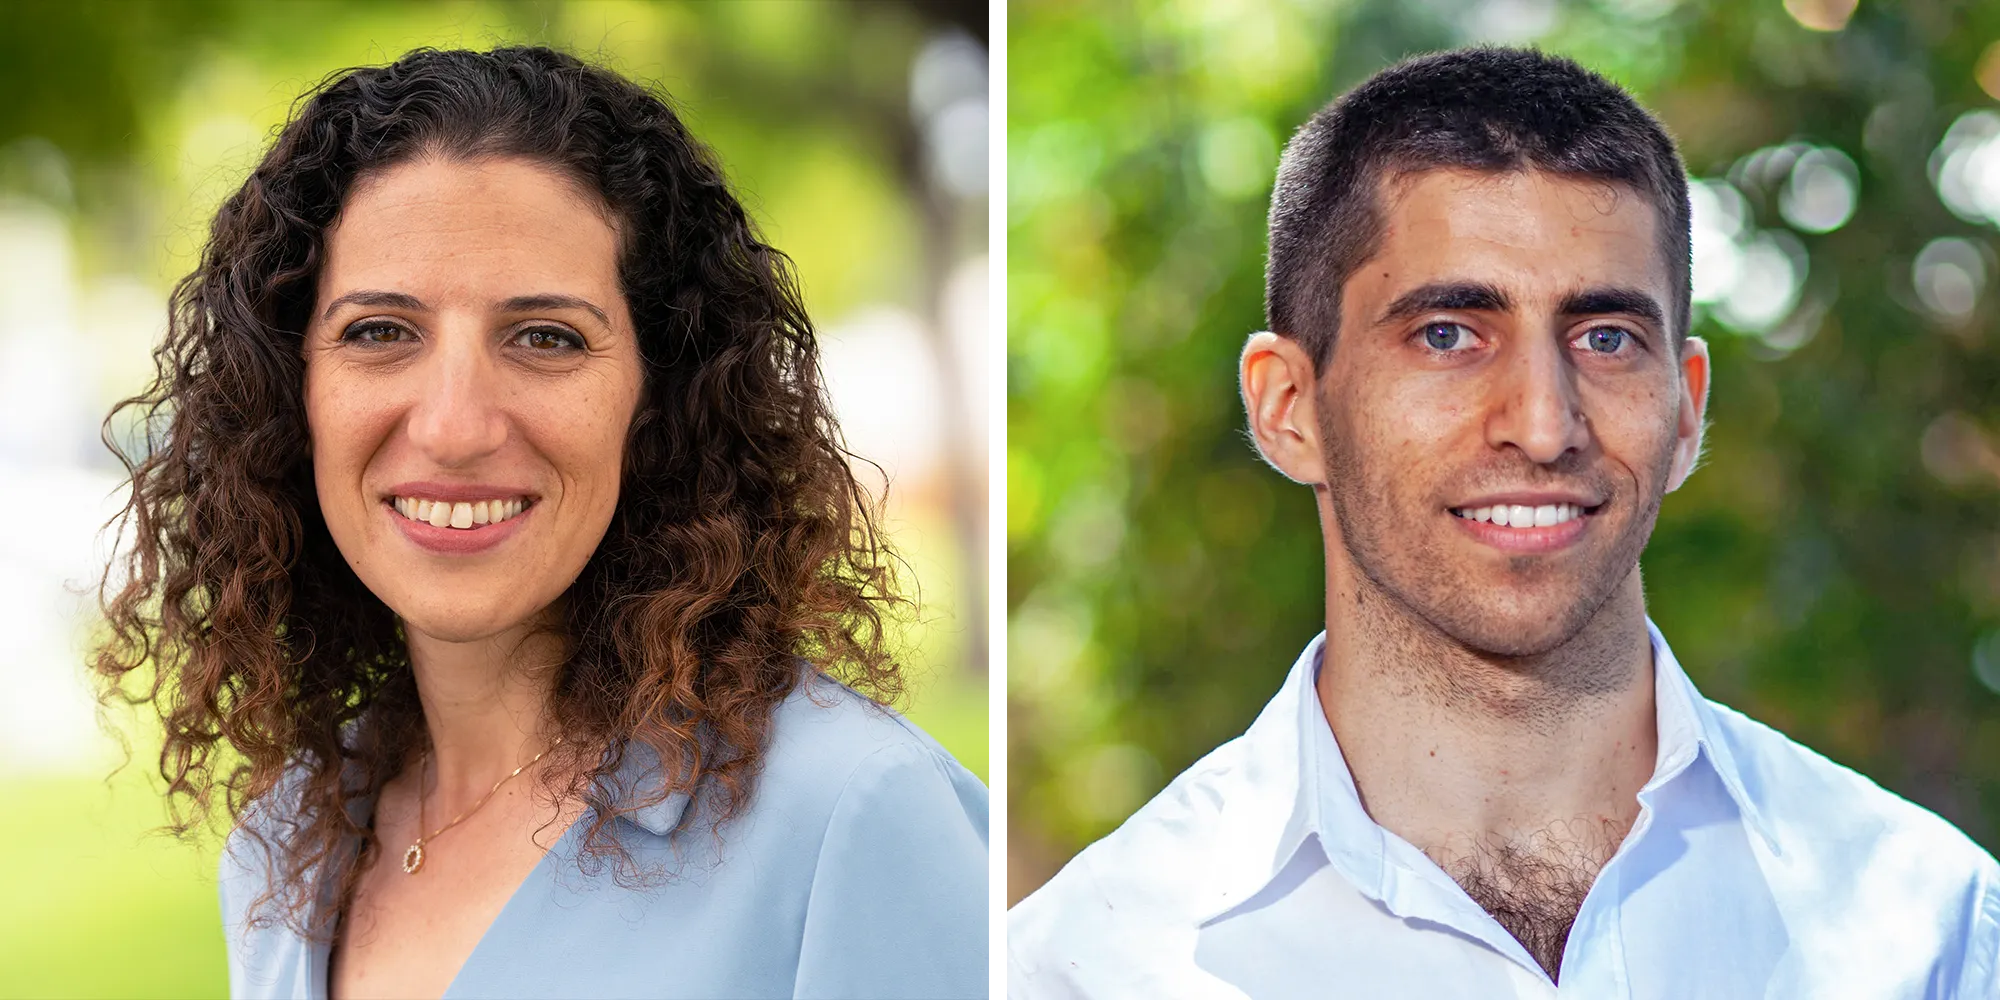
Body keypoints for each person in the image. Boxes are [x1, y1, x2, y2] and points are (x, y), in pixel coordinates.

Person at [1001, 47, 2000, 998]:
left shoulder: (1922, 929)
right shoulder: (1090, 964)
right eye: (1446, 334)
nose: (1540, 422)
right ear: (1287, 406)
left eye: (1604, 337)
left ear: (1685, 409)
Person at [93, 45, 990, 1000]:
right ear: (289, 391)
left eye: (546, 338)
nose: (453, 427)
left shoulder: (850, 820)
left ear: (661, 398)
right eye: (379, 331)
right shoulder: (283, 848)